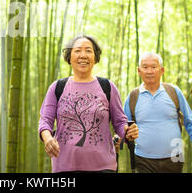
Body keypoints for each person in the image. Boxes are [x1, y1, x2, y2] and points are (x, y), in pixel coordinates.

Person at [38, 34, 138, 173]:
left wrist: (128, 133)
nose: (83, 55)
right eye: (78, 50)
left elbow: (120, 123)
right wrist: (48, 138)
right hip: (65, 166)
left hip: (103, 167)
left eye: (88, 50)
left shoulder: (107, 87)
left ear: (95, 57)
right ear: (69, 57)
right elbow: (45, 121)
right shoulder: (57, 87)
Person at [123, 52, 192, 173]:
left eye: (154, 67)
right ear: (139, 71)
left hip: (175, 155)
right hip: (143, 157)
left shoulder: (173, 91)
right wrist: (125, 135)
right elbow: (123, 126)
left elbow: (190, 121)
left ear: (162, 70)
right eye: (145, 67)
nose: (149, 71)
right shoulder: (133, 96)